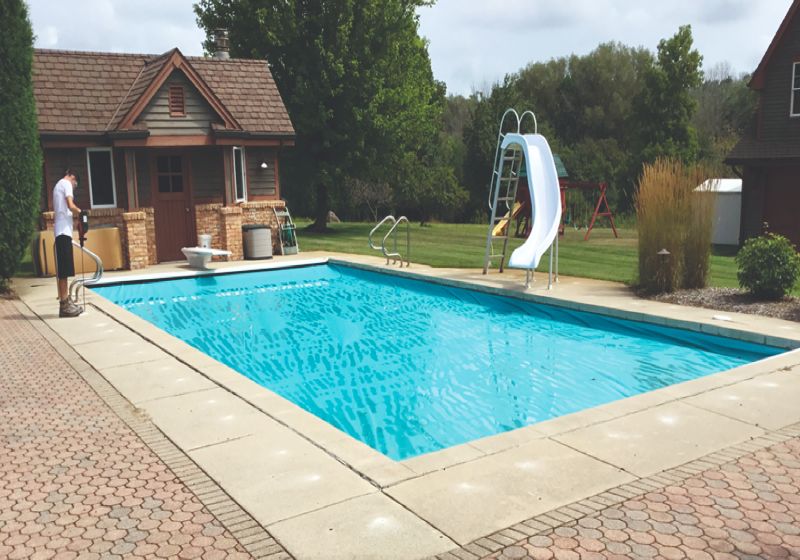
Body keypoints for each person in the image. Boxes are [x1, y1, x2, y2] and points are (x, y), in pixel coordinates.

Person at [53, 169, 83, 317]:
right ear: (72, 176)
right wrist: (81, 212)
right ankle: (64, 306)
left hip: (61, 231)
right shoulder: (66, 183)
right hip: (63, 232)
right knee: (64, 271)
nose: (74, 186)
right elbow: (70, 205)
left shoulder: (58, 185)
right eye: (75, 183)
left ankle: (66, 302)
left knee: (64, 270)